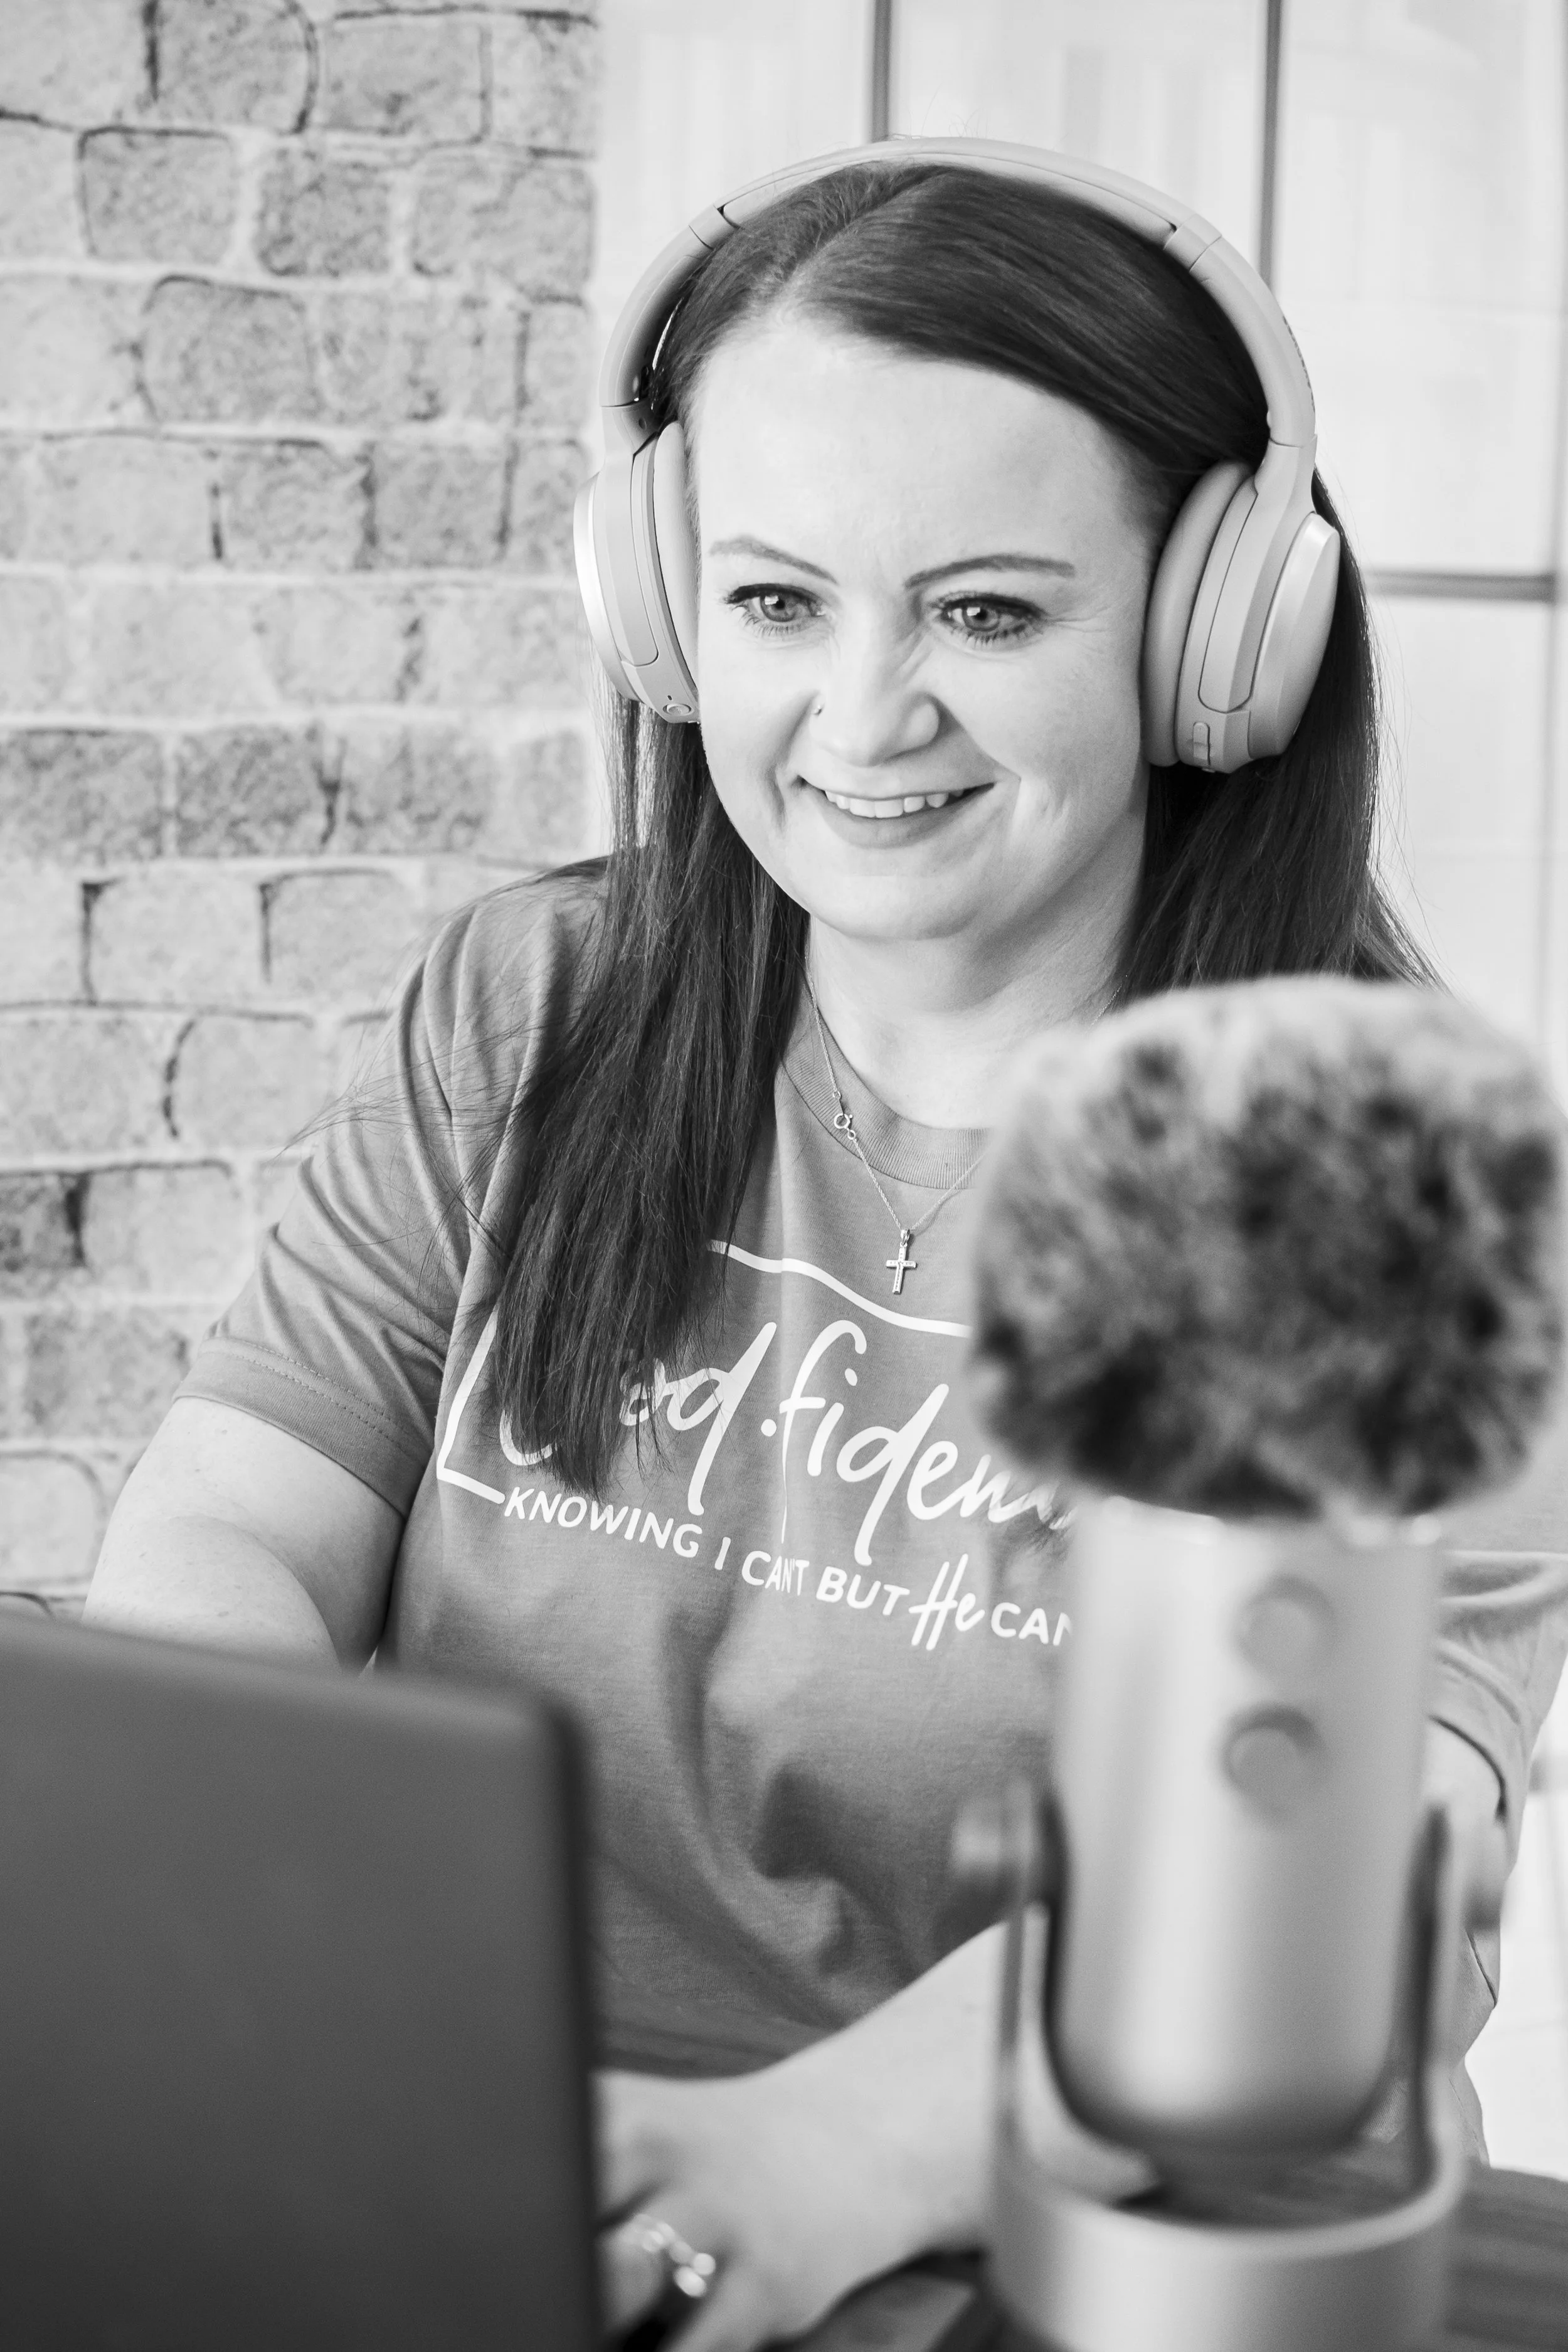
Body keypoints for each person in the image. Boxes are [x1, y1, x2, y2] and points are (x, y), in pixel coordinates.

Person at [87, 151, 1568, 2349]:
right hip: (516, 2188)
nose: (861, 718)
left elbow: (1305, 1887)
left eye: (983, 612)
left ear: (1208, 633)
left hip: (1083, 2259)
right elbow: (235, 1524)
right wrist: (258, 1936)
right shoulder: (538, 1007)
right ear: (669, 614)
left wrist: (809, 2164)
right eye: (778, 604)